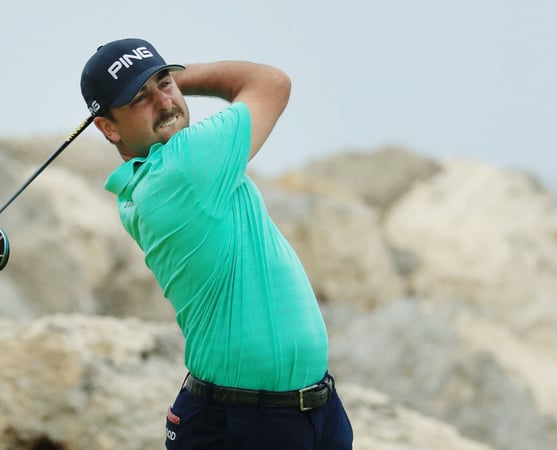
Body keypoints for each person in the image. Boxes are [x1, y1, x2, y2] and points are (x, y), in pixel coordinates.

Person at [80, 38, 353, 450]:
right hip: (247, 424)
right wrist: (184, 77)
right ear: (108, 127)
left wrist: (155, 84)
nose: (165, 103)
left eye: (164, 83)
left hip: (306, 411)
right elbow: (270, 83)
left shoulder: (150, 178)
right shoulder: (183, 167)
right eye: (139, 98)